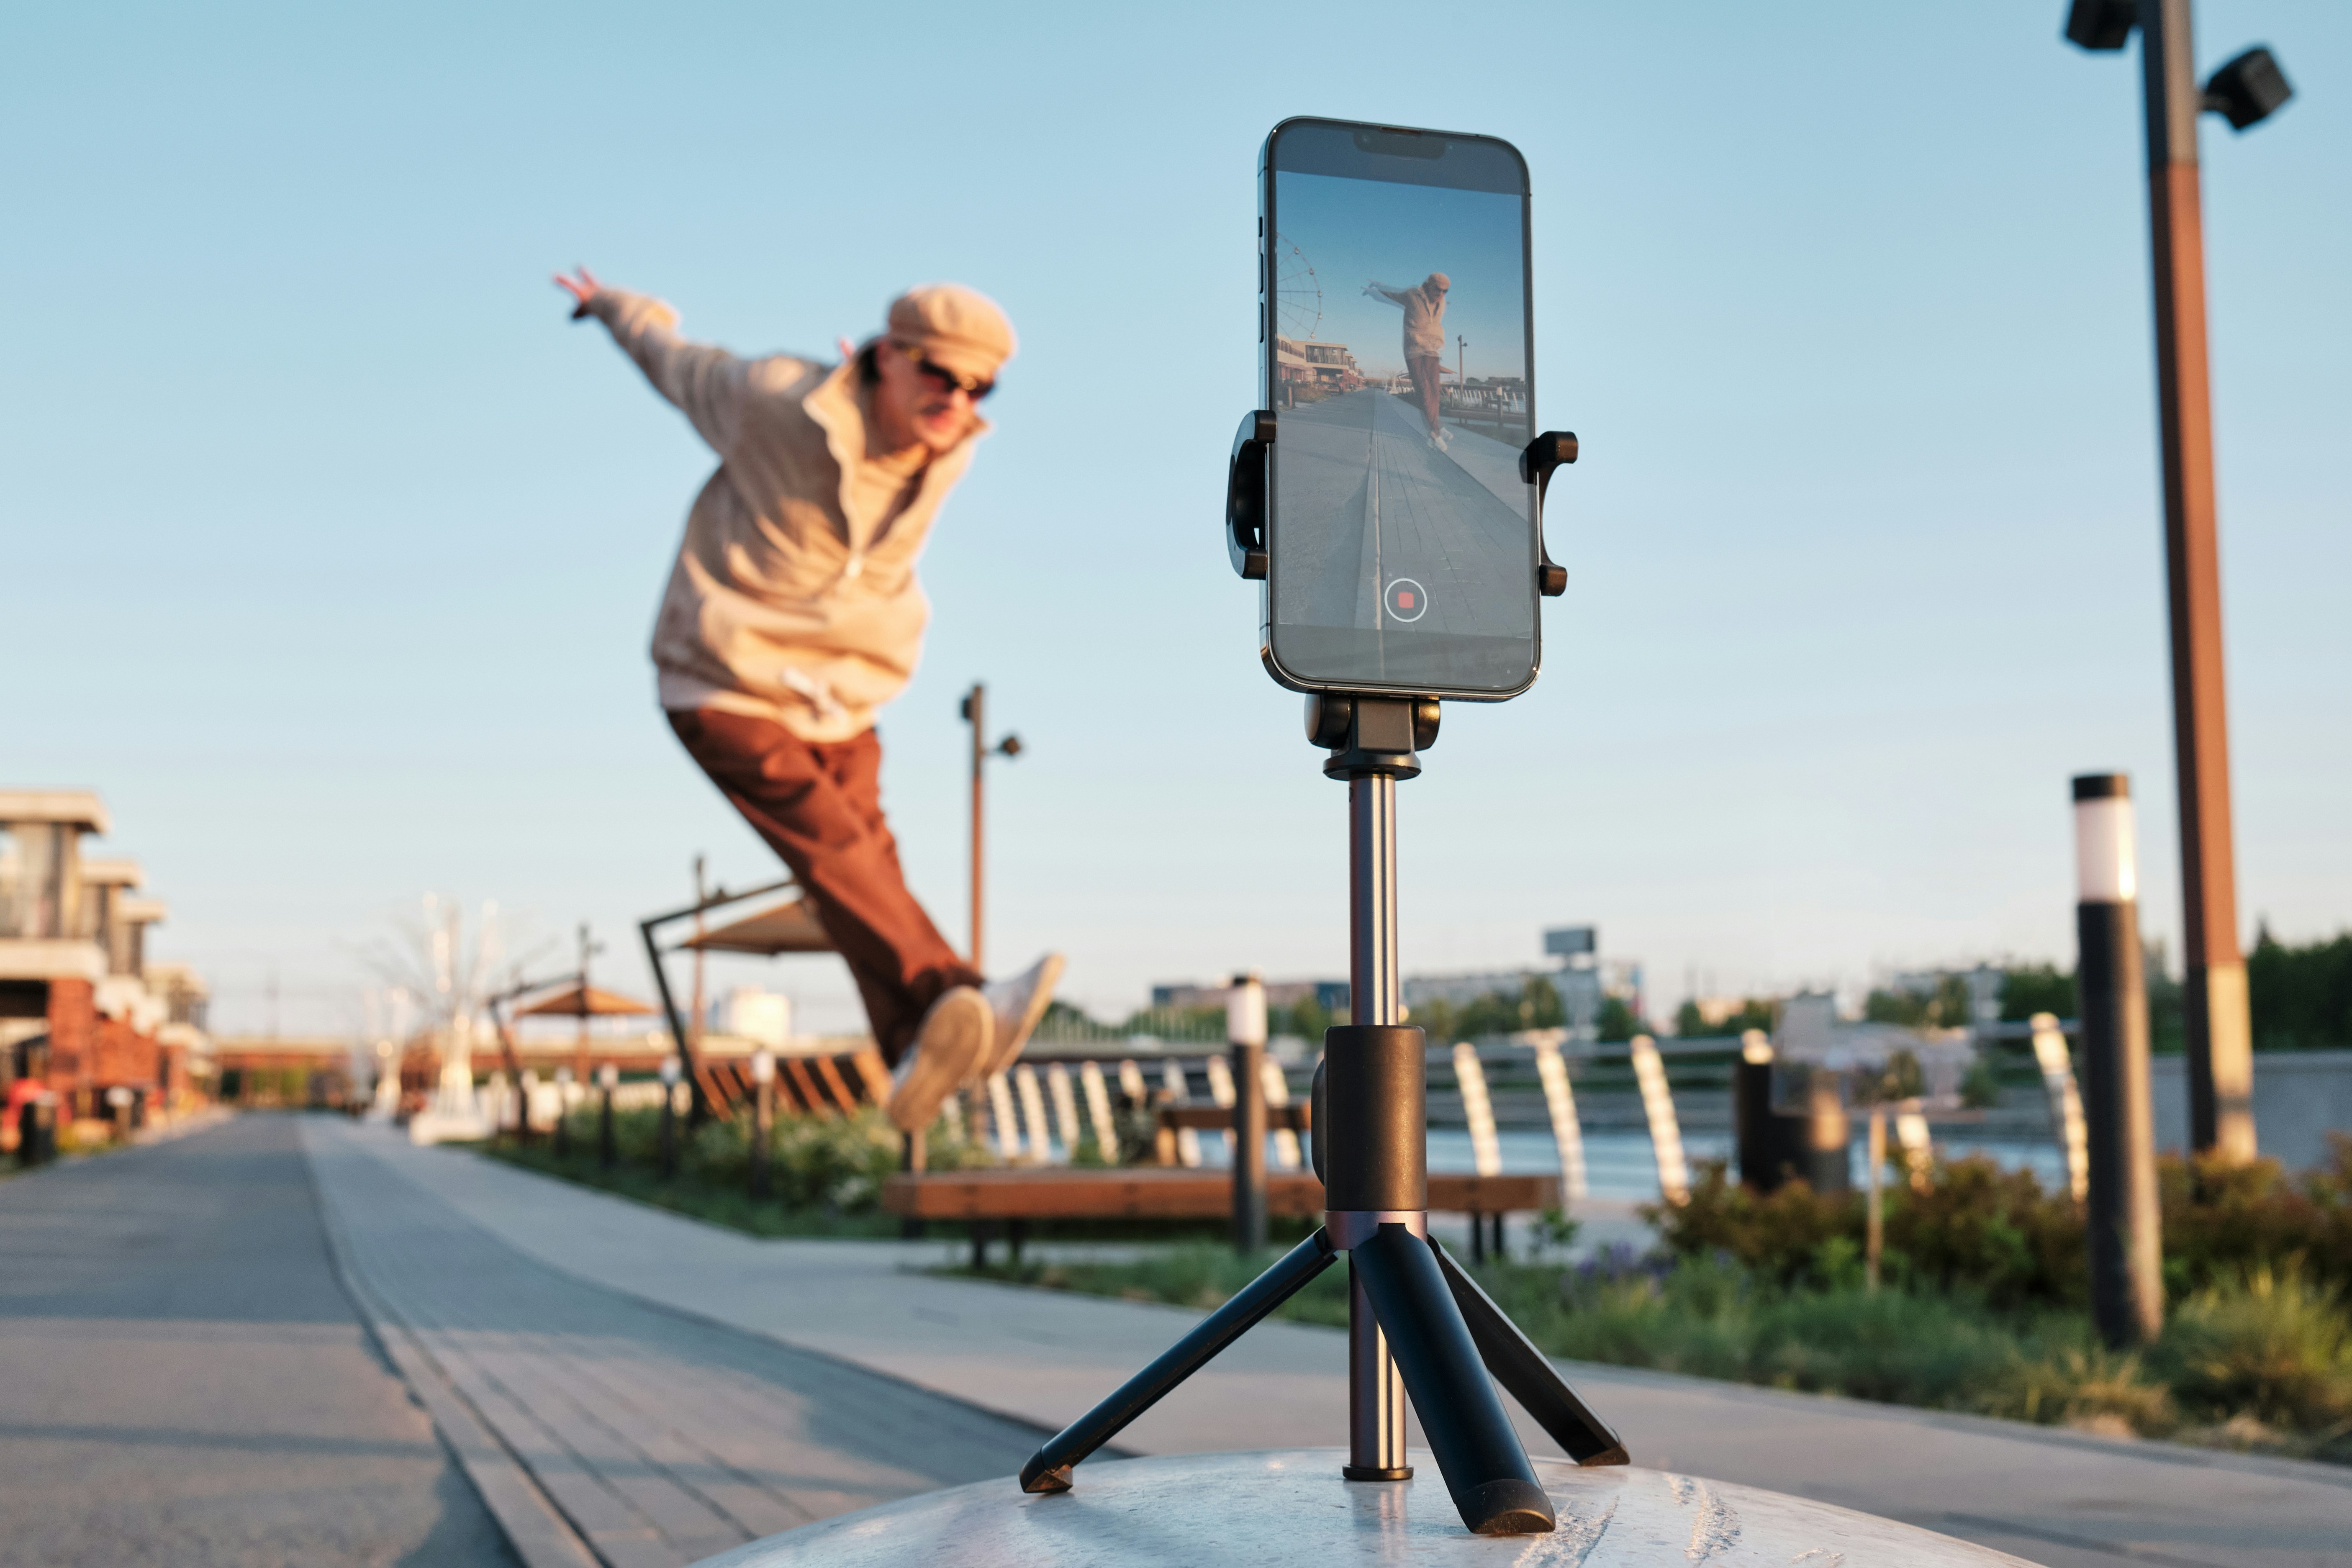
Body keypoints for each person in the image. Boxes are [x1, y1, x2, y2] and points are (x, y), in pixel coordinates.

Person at [554, 267, 1063, 1134]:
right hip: (723, 674)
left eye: (980, 386)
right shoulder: (772, 400)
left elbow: (946, 418)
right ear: (887, 356)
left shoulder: (956, 437)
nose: (959, 399)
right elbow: (672, 358)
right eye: (941, 374)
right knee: (830, 845)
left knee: (867, 862)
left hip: (843, 691)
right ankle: (954, 991)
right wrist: (610, 305)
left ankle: (909, 1046)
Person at [1364, 272, 1452, 448]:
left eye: (1445, 291)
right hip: (1415, 350)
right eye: (1438, 289)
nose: (1441, 294)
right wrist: (1375, 288)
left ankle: (1438, 427)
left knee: (1435, 391)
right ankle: (1434, 433)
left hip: (1433, 350)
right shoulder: (1412, 295)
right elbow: (1391, 294)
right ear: (1429, 285)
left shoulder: (1442, 303)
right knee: (1425, 391)